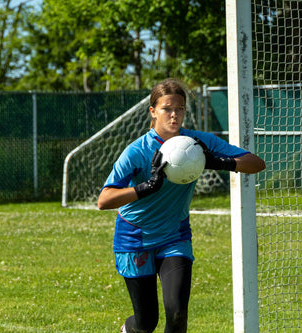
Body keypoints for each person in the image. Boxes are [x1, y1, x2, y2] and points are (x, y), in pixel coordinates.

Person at [97, 78, 266, 333]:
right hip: (135, 237)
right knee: (146, 323)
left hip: (174, 236)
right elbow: (104, 200)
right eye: (167, 108)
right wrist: (146, 188)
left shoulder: (196, 144)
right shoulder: (137, 151)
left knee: (177, 314)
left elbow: (255, 164)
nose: (174, 115)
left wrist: (222, 162)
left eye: (180, 108)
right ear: (153, 111)